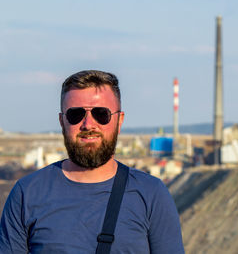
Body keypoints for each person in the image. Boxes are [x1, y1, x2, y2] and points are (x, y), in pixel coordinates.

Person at [0, 70, 185, 253]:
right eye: (75, 115)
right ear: (62, 121)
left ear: (119, 121)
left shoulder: (151, 195)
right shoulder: (27, 194)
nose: (88, 124)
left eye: (101, 114)